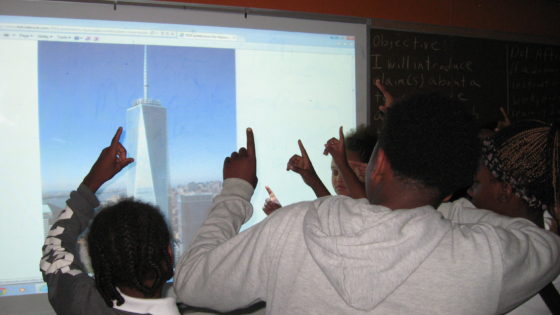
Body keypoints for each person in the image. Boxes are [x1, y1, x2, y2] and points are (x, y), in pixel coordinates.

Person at [174, 94, 560, 314]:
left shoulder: (294, 228)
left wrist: (236, 189)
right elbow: (544, 243)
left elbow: (190, 283)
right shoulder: (485, 258)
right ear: (449, 190)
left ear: (379, 167)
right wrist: (446, 207)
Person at [40, 127, 180, 315]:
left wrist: (92, 182)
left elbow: (55, 247)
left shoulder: (80, 302)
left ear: (97, 262)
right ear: (169, 254)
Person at [466, 120, 560, 314]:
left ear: (505, 190)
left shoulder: (495, 263)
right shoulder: (550, 226)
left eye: (476, 184)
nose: (470, 192)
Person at [263, 125, 376, 214]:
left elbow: (366, 211)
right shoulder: (341, 209)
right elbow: (332, 214)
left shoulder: (379, 206)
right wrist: (279, 215)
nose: (338, 178)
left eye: (345, 170)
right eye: (335, 172)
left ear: (368, 170)